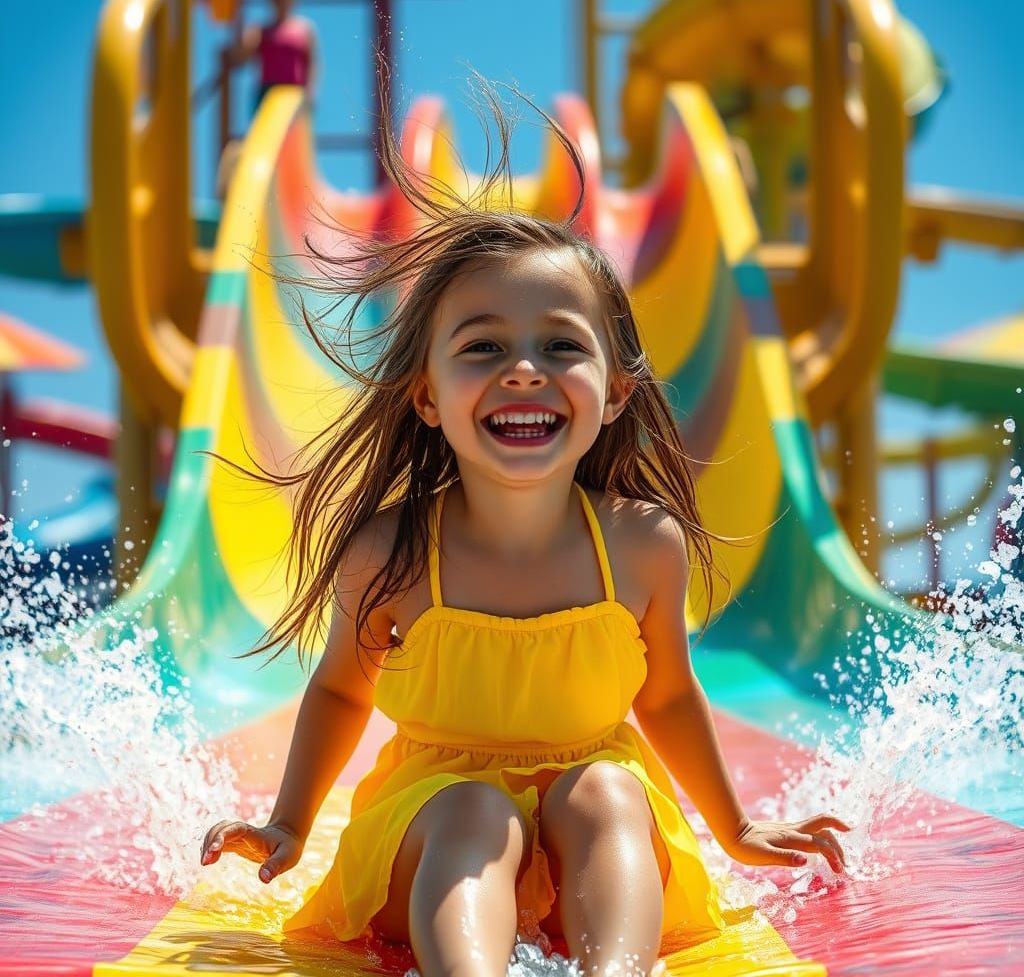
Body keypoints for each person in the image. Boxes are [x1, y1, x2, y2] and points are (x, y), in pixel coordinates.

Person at [199, 85, 849, 977]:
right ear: (427, 397)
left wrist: (735, 828)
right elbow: (343, 691)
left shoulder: (640, 545)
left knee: (609, 790)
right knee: (475, 811)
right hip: (430, 832)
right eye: (483, 347)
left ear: (615, 392)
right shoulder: (392, 554)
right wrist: (289, 822)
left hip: (594, 839)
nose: (523, 371)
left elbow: (665, 696)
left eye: (562, 346)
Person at [231, 0, 318, 110]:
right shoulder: (261, 30)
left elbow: (312, 63)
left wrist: (310, 93)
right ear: (272, 1)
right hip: (268, 93)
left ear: (292, 1)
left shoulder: (304, 29)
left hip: (294, 92)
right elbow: (242, 56)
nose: (281, 3)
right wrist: (239, 15)